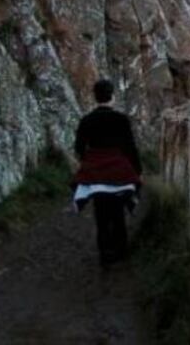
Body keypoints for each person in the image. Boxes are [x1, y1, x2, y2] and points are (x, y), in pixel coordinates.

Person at [72, 79, 142, 268]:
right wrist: (137, 171)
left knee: (101, 215)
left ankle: (105, 254)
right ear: (112, 96)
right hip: (118, 172)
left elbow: (79, 147)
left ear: (95, 97)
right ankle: (121, 251)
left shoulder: (86, 121)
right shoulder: (121, 120)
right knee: (118, 213)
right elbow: (130, 147)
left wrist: (89, 161)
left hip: (96, 174)